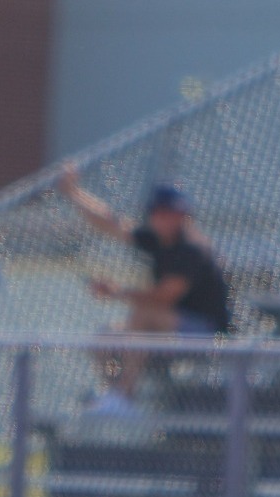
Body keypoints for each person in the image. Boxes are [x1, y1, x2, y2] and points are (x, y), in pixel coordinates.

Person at [57, 163, 231, 411]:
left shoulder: (192, 248)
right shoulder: (157, 240)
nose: (169, 219)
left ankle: (125, 397)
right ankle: (115, 397)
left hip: (208, 335)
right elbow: (111, 223)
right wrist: (74, 192)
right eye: (162, 213)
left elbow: (163, 298)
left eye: (175, 213)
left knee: (143, 314)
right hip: (171, 329)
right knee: (105, 338)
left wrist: (116, 292)